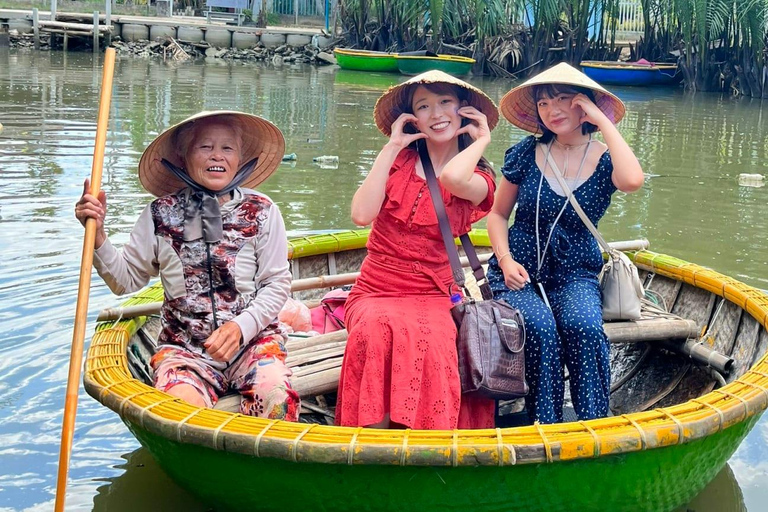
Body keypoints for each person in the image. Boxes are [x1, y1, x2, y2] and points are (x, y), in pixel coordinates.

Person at [75, 111, 300, 420]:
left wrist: (241, 327)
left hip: (253, 342)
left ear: (240, 158)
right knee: (179, 414)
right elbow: (124, 281)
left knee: (276, 399)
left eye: (227, 148)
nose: (217, 156)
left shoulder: (261, 211)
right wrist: (98, 235)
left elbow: (276, 285)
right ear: (183, 156)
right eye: (205, 147)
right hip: (185, 351)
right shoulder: (159, 214)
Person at [335, 71, 499, 430]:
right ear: (412, 117)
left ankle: (427, 446)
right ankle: (372, 445)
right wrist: (391, 145)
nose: (436, 114)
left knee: (435, 341)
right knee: (375, 330)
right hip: (376, 288)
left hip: (434, 293)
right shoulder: (399, 161)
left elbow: (453, 180)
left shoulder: (482, 178)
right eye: (424, 106)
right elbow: (361, 215)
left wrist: (481, 140)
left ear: (464, 110)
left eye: (445, 102)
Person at [487, 63, 645, 424]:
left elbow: (633, 180)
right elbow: (497, 215)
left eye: (563, 99)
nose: (553, 110)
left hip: (576, 274)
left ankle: (593, 425)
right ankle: (545, 422)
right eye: (544, 103)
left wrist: (602, 121)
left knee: (585, 327)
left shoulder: (606, 159)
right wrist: (506, 260)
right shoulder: (526, 153)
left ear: (584, 105)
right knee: (540, 327)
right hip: (519, 272)